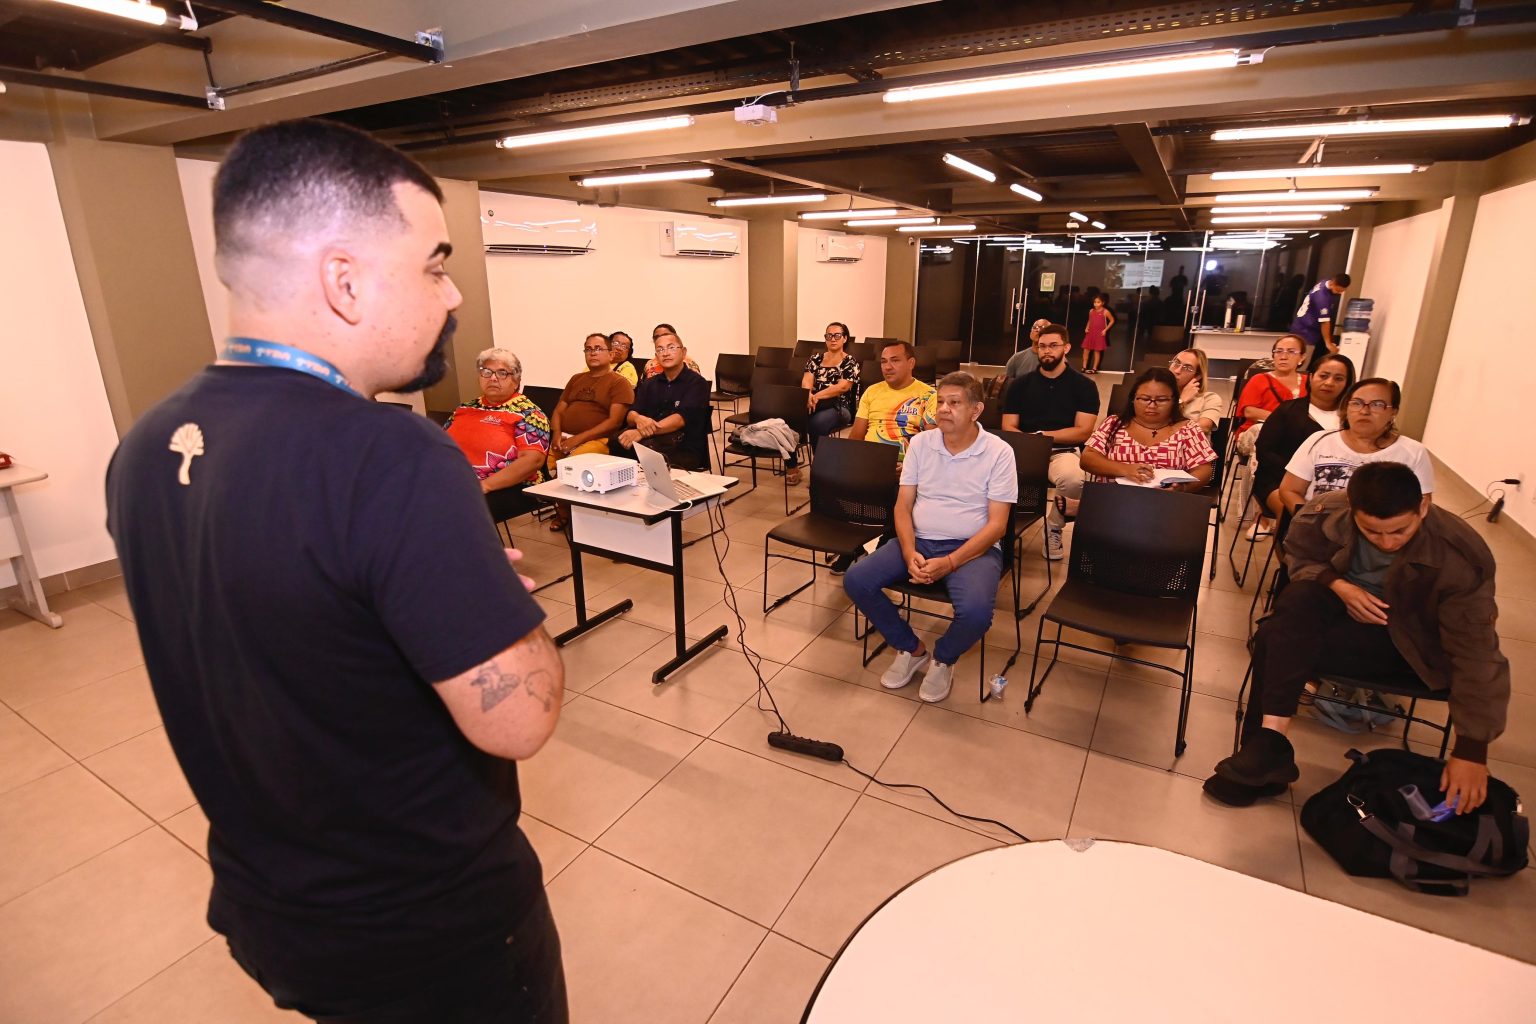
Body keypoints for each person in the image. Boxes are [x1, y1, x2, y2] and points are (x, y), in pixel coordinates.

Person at [103, 119, 567, 1022]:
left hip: (273, 907)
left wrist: (434, 590)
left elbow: (284, 630)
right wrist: (501, 607)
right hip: (426, 933)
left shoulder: (148, 443)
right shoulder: (393, 455)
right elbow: (521, 718)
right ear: (344, 281)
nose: (453, 294)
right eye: (434, 265)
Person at [1205, 462, 1510, 809]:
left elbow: (1476, 652)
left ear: (1423, 507)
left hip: (1409, 648)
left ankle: (1263, 754)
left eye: (1400, 531)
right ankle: (1269, 744)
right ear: (1352, 509)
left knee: (1275, 636)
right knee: (1294, 606)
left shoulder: (1458, 555)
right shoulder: (1325, 514)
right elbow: (1299, 556)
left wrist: (1472, 750)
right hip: (1343, 624)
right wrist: (1337, 584)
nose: (1387, 542)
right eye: (1372, 532)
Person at [843, 372, 1016, 704]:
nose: (944, 409)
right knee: (857, 579)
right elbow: (903, 506)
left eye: (955, 403)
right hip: (920, 540)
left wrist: (950, 562)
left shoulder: (999, 452)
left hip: (973, 549)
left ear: (976, 410)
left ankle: (943, 658)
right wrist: (909, 551)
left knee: (976, 614)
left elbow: (997, 526)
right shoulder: (921, 443)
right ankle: (911, 649)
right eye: (940, 402)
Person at [999, 323, 1100, 560]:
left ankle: (1053, 527)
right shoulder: (1020, 385)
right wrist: (1032, 443)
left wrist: (1042, 437)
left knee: (1073, 478)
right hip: (1023, 450)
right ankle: (998, 528)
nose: (1047, 351)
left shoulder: (1084, 386)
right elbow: (1008, 426)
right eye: (1042, 346)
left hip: (1061, 450)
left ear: (1066, 347)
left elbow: (1083, 431)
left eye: (1053, 345)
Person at [1278, 377, 1435, 508]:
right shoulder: (1320, 440)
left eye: (1377, 404)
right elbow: (1290, 490)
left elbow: (1421, 506)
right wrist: (1308, 521)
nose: (1364, 411)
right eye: (1357, 403)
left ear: (1393, 412)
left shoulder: (1414, 452)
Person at [1247, 353, 1355, 537]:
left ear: (1347, 383)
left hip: (1337, 484)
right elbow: (1265, 451)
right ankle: (1290, 555)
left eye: (1338, 379)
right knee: (1292, 512)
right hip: (1280, 481)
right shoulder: (1287, 410)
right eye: (1323, 376)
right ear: (1311, 377)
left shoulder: (1351, 419)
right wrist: (1301, 478)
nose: (1329, 383)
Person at [444, 346, 551, 522]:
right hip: (454, 479)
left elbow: (532, 461)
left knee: (444, 509)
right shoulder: (464, 408)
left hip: (508, 487)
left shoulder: (529, 414)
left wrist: (485, 485)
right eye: (487, 372)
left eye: (502, 373)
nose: (493, 378)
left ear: (516, 380)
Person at [1079, 367, 1217, 491]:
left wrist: (1182, 488)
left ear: (1174, 401)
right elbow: (1087, 459)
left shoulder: (1188, 429)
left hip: (1166, 502)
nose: (1152, 405)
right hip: (1113, 499)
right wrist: (1125, 469)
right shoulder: (1114, 423)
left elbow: (1203, 470)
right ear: (1133, 399)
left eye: (1161, 400)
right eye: (1145, 399)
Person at [613, 332, 711, 470]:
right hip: (652, 440)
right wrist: (638, 418)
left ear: (683, 352)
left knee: (647, 450)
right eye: (660, 349)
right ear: (656, 356)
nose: (665, 353)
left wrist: (641, 433)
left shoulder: (697, 383)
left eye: (671, 348)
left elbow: (679, 420)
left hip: (683, 445)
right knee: (615, 441)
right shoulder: (649, 383)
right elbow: (631, 413)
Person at [785, 321, 859, 485]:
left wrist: (816, 396)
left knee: (816, 424)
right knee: (789, 420)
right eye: (829, 335)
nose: (832, 339)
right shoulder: (816, 358)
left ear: (845, 338)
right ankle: (792, 467)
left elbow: (842, 387)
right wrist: (808, 395)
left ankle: (821, 474)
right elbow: (807, 380)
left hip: (839, 407)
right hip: (813, 402)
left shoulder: (850, 361)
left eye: (837, 335)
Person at [850, 340, 936, 465]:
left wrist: (911, 466)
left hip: (908, 464)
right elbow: (856, 437)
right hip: (870, 461)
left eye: (895, 360)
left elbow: (932, 444)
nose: (887, 367)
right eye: (883, 361)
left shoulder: (929, 395)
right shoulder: (871, 391)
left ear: (911, 363)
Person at [1290, 272, 1351, 371]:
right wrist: (1328, 343)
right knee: (1301, 365)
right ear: (1333, 283)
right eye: (1338, 290)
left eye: (1342, 291)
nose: (1339, 293)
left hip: (1301, 327)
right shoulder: (1322, 297)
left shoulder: (1324, 282)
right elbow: (1325, 322)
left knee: (1295, 361)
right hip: (1306, 332)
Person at [1167, 348, 1223, 433]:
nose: (1177, 370)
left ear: (1198, 376)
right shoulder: (1157, 394)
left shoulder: (1210, 398)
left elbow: (1203, 428)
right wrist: (1181, 401)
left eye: (1187, 368)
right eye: (1176, 363)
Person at [1080, 293, 1113, 374]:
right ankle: (1084, 367)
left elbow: (1112, 320)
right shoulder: (1091, 311)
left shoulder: (1105, 311)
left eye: (1098, 302)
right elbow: (1090, 320)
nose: (1096, 304)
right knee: (1086, 350)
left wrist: (1105, 330)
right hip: (1090, 333)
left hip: (1099, 334)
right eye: (1095, 302)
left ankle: (1094, 368)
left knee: (1097, 351)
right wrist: (1086, 327)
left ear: (1103, 303)